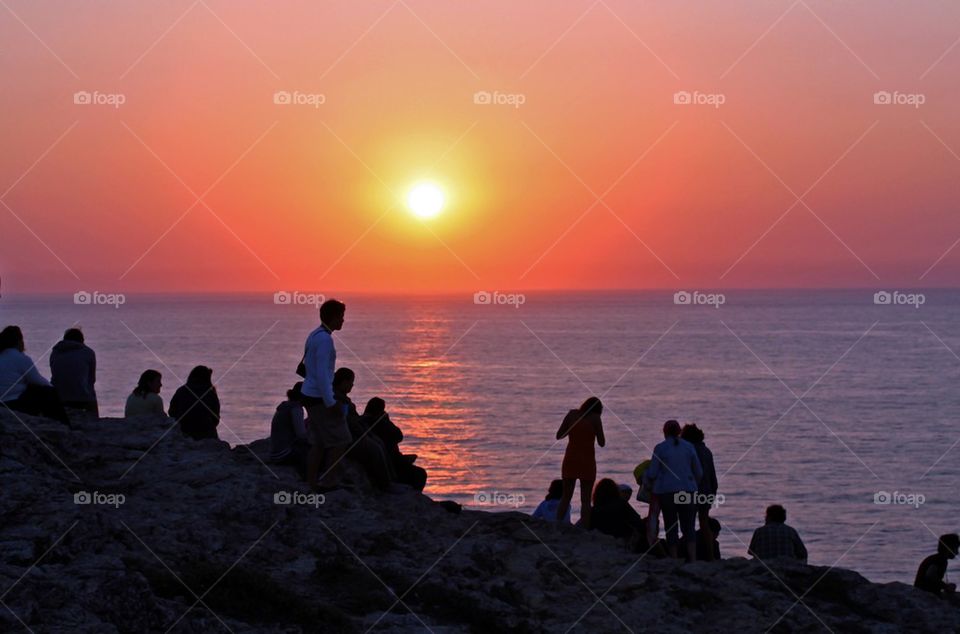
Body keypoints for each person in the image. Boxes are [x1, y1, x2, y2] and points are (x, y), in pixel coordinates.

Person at [303, 299, 350, 492]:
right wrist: (331, 402)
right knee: (342, 438)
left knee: (320, 442)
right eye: (341, 317)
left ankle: (311, 482)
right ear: (333, 317)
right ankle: (329, 480)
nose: (343, 321)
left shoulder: (315, 335)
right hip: (318, 397)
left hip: (309, 393)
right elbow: (322, 373)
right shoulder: (325, 340)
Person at [645, 420, 702, 561]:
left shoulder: (660, 448)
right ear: (679, 432)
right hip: (687, 491)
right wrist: (693, 485)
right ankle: (693, 558)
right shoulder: (689, 447)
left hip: (667, 492)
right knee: (689, 526)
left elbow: (652, 473)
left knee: (671, 526)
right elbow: (699, 472)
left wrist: (645, 476)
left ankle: (674, 558)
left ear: (664, 432)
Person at [333, 367, 392, 490]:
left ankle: (390, 479)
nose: (352, 385)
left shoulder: (342, 398)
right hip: (346, 438)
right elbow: (346, 422)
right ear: (344, 382)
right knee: (375, 448)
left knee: (379, 443)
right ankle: (384, 485)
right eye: (351, 382)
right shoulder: (337, 399)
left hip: (352, 433)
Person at [0, 326, 69, 424]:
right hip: (13, 403)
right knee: (48, 392)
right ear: (19, 342)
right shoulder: (20, 358)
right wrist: (54, 389)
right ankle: (63, 424)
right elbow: (37, 380)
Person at [356, 397, 427, 491]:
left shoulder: (363, 421)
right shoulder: (379, 423)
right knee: (420, 474)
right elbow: (398, 436)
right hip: (391, 464)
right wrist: (386, 421)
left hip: (390, 460)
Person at [555, 397, 605, 528]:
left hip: (571, 459)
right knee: (586, 500)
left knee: (566, 497)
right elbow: (602, 442)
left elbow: (559, 435)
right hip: (587, 461)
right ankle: (585, 528)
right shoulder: (595, 418)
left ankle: (557, 524)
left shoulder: (572, 414)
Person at [682, 423, 719, 561]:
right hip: (707, 491)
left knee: (689, 524)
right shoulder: (707, 451)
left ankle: (689, 554)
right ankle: (710, 555)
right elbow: (712, 475)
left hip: (691, 491)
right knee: (704, 523)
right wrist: (713, 492)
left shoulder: (687, 451)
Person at [49, 328, 98, 416]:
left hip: (57, 397)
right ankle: (95, 420)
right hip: (81, 398)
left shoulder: (55, 352)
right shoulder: (88, 352)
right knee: (91, 393)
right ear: (82, 340)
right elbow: (92, 380)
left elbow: (55, 373)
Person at [268, 381, 309, 479]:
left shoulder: (286, 406)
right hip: (283, 454)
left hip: (275, 452)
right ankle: (307, 477)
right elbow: (301, 435)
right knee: (313, 450)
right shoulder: (296, 408)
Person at [169, 365, 220, 440]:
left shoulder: (181, 390)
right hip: (207, 434)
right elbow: (216, 417)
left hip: (183, 432)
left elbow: (172, 412)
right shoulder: (210, 393)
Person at [590, 478, 646, 543]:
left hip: (601, 539)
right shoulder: (621, 504)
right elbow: (638, 522)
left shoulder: (593, 510)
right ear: (615, 491)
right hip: (621, 537)